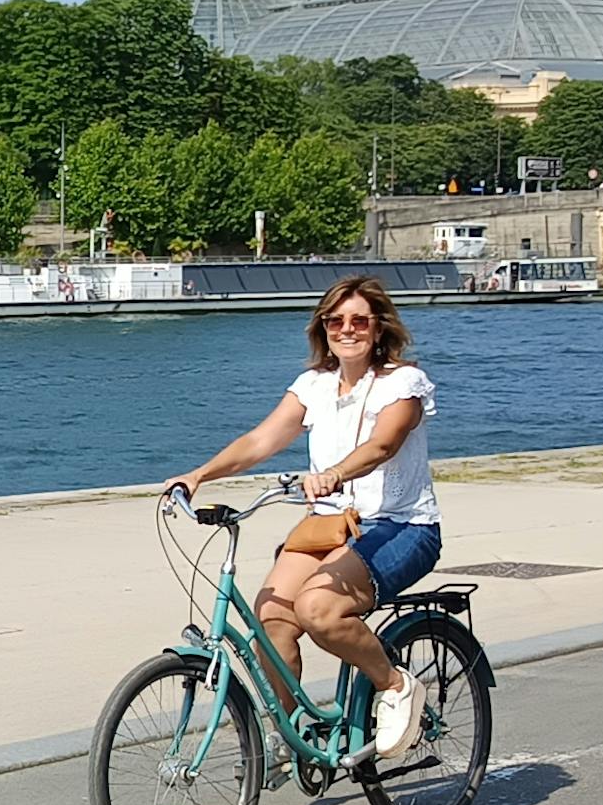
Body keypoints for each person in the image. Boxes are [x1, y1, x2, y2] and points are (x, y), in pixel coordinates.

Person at [162, 274, 444, 759]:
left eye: (359, 320)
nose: (347, 329)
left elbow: (384, 444)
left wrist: (334, 473)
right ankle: (293, 737)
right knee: (272, 617)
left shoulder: (404, 383)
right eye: (336, 320)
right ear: (323, 328)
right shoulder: (313, 386)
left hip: (399, 527)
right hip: (328, 528)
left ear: (379, 328)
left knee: (319, 610)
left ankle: (395, 685)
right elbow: (261, 440)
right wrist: (198, 475)